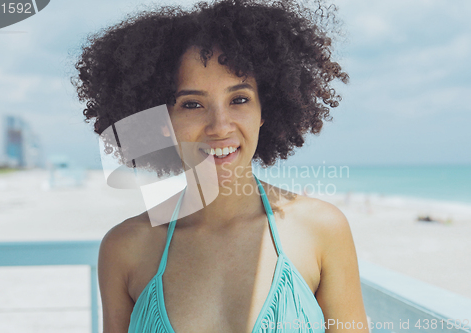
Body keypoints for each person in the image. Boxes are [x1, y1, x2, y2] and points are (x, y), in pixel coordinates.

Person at [72, 0, 368, 332]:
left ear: (264, 109)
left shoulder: (321, 230)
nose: (220, 126)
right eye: (192, 104)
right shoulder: (125, 248)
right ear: (160, 120)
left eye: (239, 99)